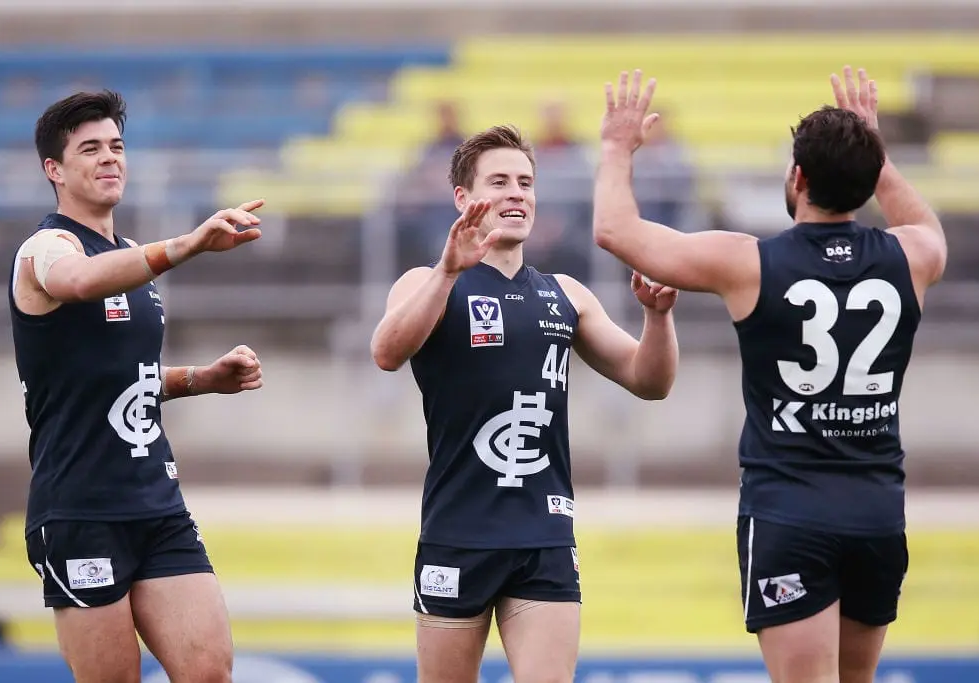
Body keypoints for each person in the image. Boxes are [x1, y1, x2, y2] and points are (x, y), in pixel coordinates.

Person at [592, 67, 946, 683]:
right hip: (878, 510)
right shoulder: (914, 256)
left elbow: (615, 231)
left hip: (790, 511)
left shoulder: (750, 262)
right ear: (868, 178)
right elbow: (925, 224)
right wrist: (874, 156)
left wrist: (617, 148)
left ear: (799, 177)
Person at [370, 124, 680, 683]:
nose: (518, 193)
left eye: (526, 182)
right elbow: (387, 352)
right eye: (500, 182)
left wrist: (658, 318)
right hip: (457, 532)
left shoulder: (565, 294)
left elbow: (649, 381)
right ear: (464, 199)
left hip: (545, 534)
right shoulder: (426, 281)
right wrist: (447, 271)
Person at [10, 89, 267, 683]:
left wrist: (202, 379)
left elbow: (127, 379)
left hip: (156, 503)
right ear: (55, 169)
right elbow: (75, 282)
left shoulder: (128, 253)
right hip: (79, 507)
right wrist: (187, 244)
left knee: (209, 673)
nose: (110, 159)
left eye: (117, 146)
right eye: (90, 149)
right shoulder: (48, 248)